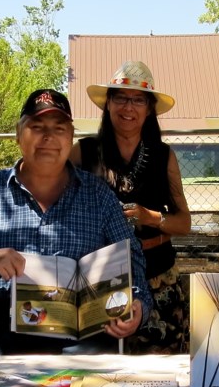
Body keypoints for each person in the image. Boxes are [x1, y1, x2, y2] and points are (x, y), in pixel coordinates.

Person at [0, 88, 154, 355]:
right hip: (5, 343)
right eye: (37, 127)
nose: (48, 137)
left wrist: (139, 303)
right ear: (18, 134)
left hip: (84, 344)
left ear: (71, 136)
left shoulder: (99, 197)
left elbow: (132, 258)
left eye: (59, 128)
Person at [75, 60, 192, 355]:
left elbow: (185, 223)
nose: (129, 107)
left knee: (159, 376)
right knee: (101, 377)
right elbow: (43, 178)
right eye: (121, 98)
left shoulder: (164, 156)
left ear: (149, 108)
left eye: (138, 100)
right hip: (98, 281)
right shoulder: (84, 152)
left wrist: (150, 217)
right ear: (108, 104)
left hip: (158, 276)